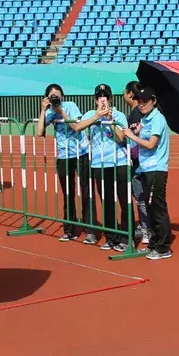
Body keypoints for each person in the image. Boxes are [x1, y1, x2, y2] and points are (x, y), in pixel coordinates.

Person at [70, 84, 130, 251]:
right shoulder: (91, 114)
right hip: (99, 164)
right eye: (99, 96)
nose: (102, 99)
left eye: (105, 96)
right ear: (95, 99)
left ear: (110, 98)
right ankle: (112, 237)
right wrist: (97, 116)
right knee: (107, 202)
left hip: (119, 162)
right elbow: (78, 127)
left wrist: (110, 120)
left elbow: (121, 138)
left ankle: (127, 237)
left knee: (124, 201)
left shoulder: (119, 115)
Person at [37, 83, 96, 244]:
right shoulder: (49, 112)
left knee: (86, 191)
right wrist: (43, 110)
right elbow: (39, 132)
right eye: (52, 96)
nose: (55, 98)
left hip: (81, 152)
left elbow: (76, 127)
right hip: (64, 155)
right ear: (47, 98)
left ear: (62, 96)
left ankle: (90, 230)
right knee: (68, 193)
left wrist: (61, 111)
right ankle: (69, 230)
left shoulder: (70, 106)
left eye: (57, 95)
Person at [122, 87, 172, 260]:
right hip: (146, 168)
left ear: (154, 101)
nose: (141, 104)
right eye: (139, 101)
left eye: (145, 101)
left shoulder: (157, 118)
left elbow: (151, 144)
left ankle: (163, 247)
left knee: (157, 208)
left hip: (156, 168)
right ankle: (154, 244)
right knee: (150, 208)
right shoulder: (146, 119)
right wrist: (137, 132)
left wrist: (132, 136)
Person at [124, 81, 150, 244]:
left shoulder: (136, 114)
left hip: (139, 162)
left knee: (141, 197)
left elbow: (136, 140)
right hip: (142, 161)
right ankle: (145, 225)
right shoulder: (140, 113)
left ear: (130, 94)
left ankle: (147, 228)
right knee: (142, 197)